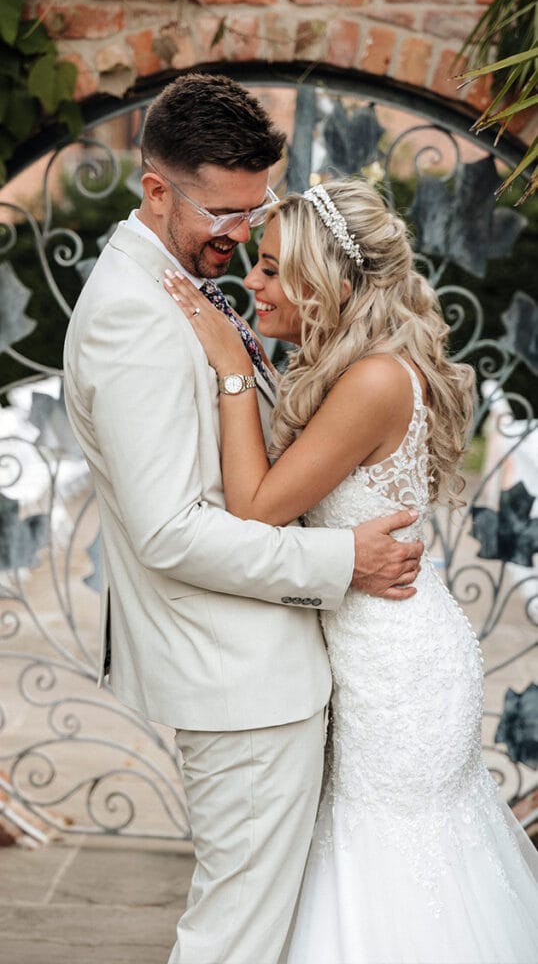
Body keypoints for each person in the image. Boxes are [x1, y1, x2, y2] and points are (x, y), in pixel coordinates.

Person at [62, 73, 424, 964]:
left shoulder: (181, 286)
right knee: (234, 941)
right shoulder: (136, 319)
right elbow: (172, 531)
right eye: (225, 214)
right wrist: (344, 563)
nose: (242, 234)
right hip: (241, 685)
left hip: (267, 677)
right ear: (156, 190)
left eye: (254, 212)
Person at [167, 177, 538, 963]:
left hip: (395, 670)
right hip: (377, 639)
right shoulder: (356, 365)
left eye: (273, 270)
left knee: (392, 872)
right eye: (257, 264)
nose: (252, 282)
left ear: (330, 281)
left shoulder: (372, 379)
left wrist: (234, 368)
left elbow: (257, 508)